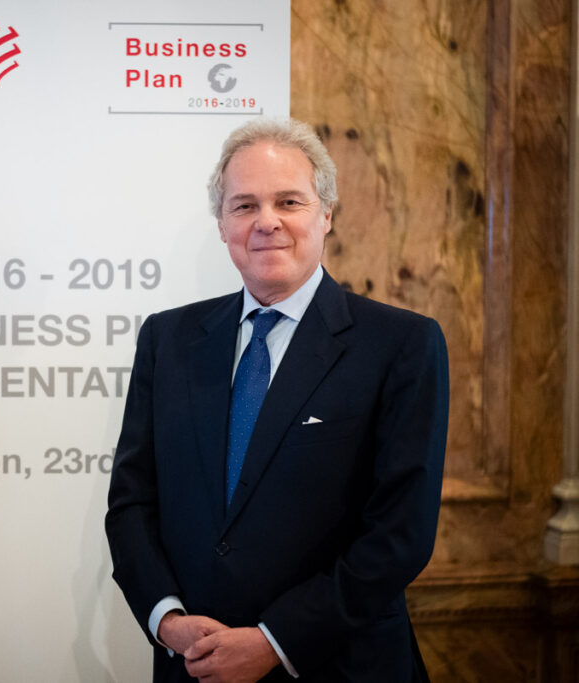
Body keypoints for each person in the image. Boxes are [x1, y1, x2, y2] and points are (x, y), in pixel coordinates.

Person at [105, 117, 448, 683]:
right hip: (193, 665)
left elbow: (400, 535)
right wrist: (166, 619)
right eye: (244, 206)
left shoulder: (402, 344)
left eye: (289, 201)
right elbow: (133, 502)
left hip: (336, 665)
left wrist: (274, 641)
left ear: (326, 213)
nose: (267, 222)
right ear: (222, 224)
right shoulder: (167, 340)